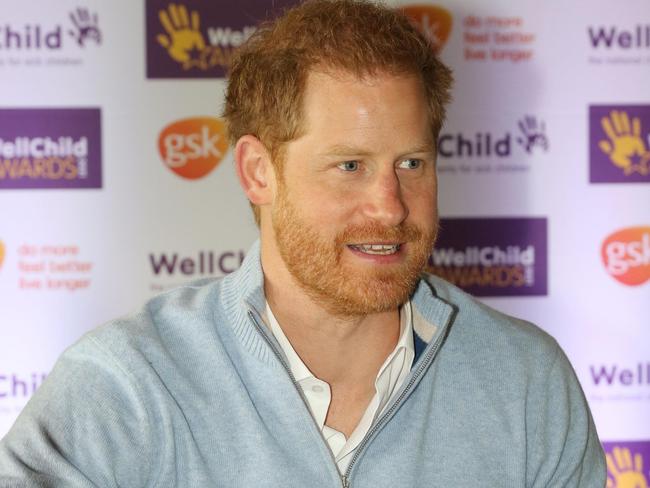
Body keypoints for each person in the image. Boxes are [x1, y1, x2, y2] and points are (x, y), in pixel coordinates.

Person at [0, 1, 606, 486]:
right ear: (258, 172)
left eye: (412, 163)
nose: (390, 206)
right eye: (349, 166)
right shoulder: (127, 384)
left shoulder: (527, 383)